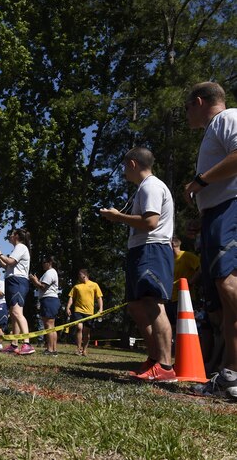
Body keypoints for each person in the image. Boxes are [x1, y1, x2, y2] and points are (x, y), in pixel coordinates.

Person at [100, 146, 175, 381]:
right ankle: (153, 360)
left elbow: (151, 221)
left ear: (132, 164)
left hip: (152, 249)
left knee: (153, 304)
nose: (124, 171)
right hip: (140, 250)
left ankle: (165, 365)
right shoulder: (145, 187)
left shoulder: (151, 186)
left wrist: (117, 217)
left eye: (124, 166)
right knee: (136, 306)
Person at [182, 82, 237, 398]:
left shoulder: (226, 118)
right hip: (218, 214)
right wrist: (203, 221)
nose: (187, 114)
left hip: (229, 210)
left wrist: (199, 182)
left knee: (229, 286)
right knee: (226, 297)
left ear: (199, 102)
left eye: (188, 107)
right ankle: (231, 376)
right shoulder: (217, 128)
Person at [0, 229, 35, 355]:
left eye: (12, 233)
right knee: (13, 313)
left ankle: (27, 343)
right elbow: (7, 266)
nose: (9, 235)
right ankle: (14, 345)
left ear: (17, 236)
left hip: (18, 282)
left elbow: (10, 261)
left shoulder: (21, 247)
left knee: (17, 312)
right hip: (12, 281)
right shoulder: (16, 249)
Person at [167, 236, 201, 336]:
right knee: (171, 325)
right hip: (170, 298)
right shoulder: (169, 260)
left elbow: (200, 269)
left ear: (174, 244)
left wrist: (190, 283)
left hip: (185, 298)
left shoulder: (186, 256)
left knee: (184, 325)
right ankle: (173, 349)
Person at [66, 269, 103, 356]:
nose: (78, 277)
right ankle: (78, 348)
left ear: (84, 275)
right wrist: (68, 307)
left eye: (79, 275)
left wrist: (100, 309)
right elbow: (71, 297)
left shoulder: (94, 285)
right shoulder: (76, 286)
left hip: (89, 312)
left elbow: (99, 297)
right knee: (79, 328)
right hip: (78, 311)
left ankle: (85, 350)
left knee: (87, 332)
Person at [30, 255, 61, 355]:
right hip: (49, 300)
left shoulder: (50, 272)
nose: (42, 265)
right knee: (51, 326)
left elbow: (43, 287)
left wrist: (34, 281)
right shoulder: (50, 273)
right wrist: (36, 281)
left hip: (49, 300)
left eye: (44, 262)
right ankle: (53, 349)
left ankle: (51, 350)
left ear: (49, 263)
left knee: (49, 325)